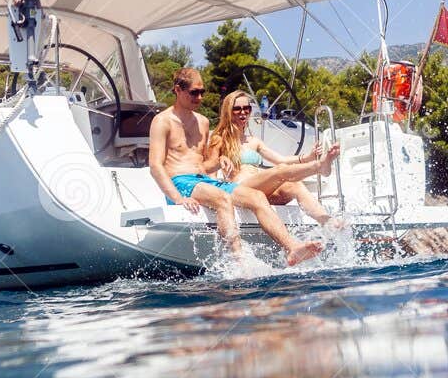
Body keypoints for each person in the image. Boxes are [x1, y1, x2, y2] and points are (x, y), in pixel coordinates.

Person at [146, 69, 326, 266]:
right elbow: (155, 166)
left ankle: (292, 248)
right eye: (194, 92)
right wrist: (177, 197)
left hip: (204, 181)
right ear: (178, 90)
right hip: (180, 182)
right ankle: (238, 261)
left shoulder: (203, 122)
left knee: (257, 196)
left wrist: (219, 161)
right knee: (223, 199)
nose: (200, 97)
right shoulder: (162, 121)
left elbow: (204, 165)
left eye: (202, 92)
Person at [208, 89, 342, 266]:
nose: (243, 112)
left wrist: (307, 157)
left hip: (259, 189)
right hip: (238, 189)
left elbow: (281, 159)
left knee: (294, 185)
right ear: (228, 111)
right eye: (237, 109)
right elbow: (210, 172)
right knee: (279, 171)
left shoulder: (253, 140)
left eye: (246, 108)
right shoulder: (219, 139)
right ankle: (320, 168)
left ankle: (327, 221)